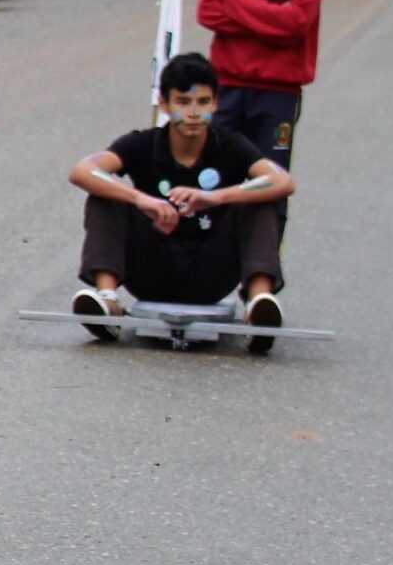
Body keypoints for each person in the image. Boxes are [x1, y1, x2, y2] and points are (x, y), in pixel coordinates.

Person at [69, 51, 294, 350]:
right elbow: (82, 170)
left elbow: (282, 181)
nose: (193, 114)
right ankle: (107, 301)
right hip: (152, 268)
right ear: (164, 104)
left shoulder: (231, 145)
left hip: (209, 271)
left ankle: (259, 305)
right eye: (183, 103)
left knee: (260, 196)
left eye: (203, 103)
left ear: (215, 103)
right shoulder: (142, 143)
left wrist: (215, 197)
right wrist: (141, 199)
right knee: (105, 194)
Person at [196, 0, 327, 229]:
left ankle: (261, 278)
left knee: (267, 184)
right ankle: (208, 271)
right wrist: (273, 15)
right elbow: (207, 11)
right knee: (212, 178)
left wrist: (237, 0)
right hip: (227, 85)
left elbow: (297, 23)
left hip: (278, 93)